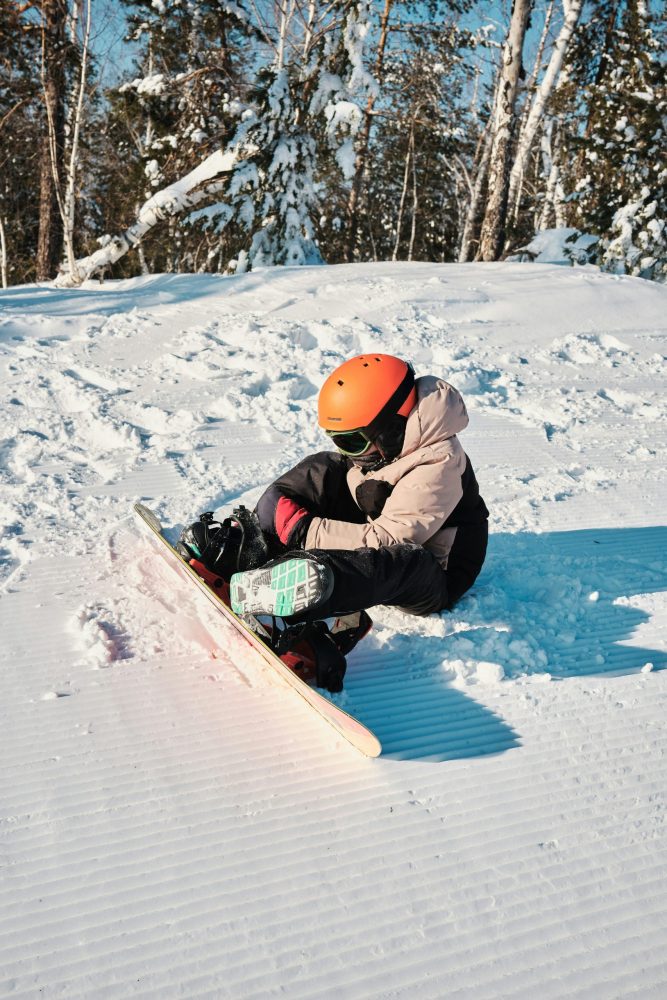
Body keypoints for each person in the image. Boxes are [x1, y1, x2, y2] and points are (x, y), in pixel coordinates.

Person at [228, 353, 489, 636]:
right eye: (339, 439)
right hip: (378, 520)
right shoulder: (391, 445)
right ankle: (249, 547)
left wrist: (304, 532)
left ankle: (307, 591)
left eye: (352, 441)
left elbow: (388, 540)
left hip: (435, 576)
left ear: (391, 429)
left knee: (408, 561)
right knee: (325, 467)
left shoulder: (441, 463)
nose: (346, 450)